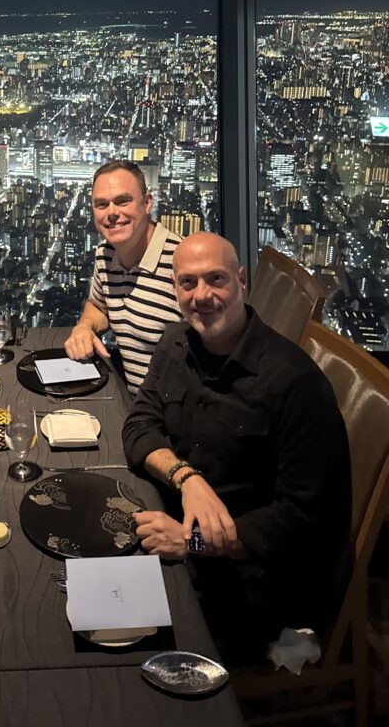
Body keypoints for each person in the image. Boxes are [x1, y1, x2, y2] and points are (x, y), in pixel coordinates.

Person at [122, 232, 351, 659]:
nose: (202, 295)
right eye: (188, 283)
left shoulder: (294, 384)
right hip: (185, 535)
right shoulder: (175, 342)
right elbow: (139, 424)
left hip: (252, 589)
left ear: (241, 281)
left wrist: (190, 543)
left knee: (122, 647)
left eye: (216, 279)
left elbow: (304, 523)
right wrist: (186, 478)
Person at [64, 159, 182, 393]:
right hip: (131, 404)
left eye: (122, 201)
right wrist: (85, 327)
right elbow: (99, 306)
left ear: (147, 203)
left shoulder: (181, 264)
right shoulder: (105, 255)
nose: (112, 213)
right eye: (101, 204)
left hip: (173, 417)